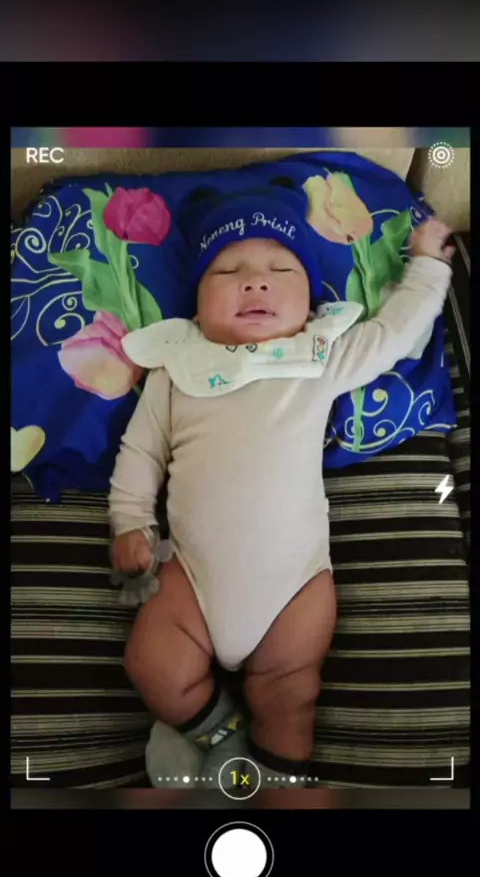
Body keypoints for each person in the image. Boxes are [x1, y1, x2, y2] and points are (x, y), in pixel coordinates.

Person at [108, 185, 454, 788]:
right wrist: (130, 522)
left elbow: (395, 333)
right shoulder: (178, 370)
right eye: (229, 271)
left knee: (292, 696)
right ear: (196, 304)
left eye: (280, 271)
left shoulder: (315, 358)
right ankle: (220, 733)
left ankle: (274, 780)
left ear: (309, 304)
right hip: (190, 580)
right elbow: (140, 453)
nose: (255, 283)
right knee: (151, 665)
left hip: (294, 588)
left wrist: (427, 265)